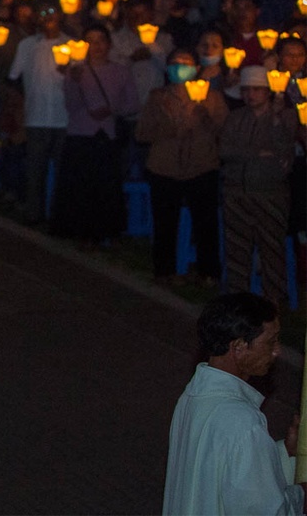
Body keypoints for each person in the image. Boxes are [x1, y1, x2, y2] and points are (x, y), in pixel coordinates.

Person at [163, 293, 303, 514]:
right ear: (238, 346)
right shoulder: (243, 422)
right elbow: (266, 510)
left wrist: (287, 451)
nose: (277, 351)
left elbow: (222, 473)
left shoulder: (192, 396)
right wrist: (301, 494)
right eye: (270, 342)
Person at [136, 48, 227, 285]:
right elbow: (142, 133)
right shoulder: (158, 97)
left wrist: (205, 115)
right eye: (175, 63)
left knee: (205, 222)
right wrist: (167, 129)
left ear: (196, 68)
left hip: (202, 166)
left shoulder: (212, 97)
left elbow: (225, 132)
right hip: (164, 167)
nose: (180, 67)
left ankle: (208, 272)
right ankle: (164, 271)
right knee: (165, 222)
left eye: (185, 63)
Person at [51, 25, 139, 243]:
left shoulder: (121, 71)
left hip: (107, 135)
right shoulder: (75, 71)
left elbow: (133, 104)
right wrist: (74, 80)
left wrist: (112, 110)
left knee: (105, 185)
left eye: (100, 40)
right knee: (79, 184)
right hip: (80, 134)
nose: (96, 46)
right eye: (90, 41)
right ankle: (77, 231)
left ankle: (105, 230)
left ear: (108, 44)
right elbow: (71, 105)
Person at [219, 67, 298, 303]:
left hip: (269, 194)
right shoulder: (235, 118)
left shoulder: (286, 117)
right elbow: (224, 150)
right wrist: (254, 153)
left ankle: (273, 302)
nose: (250, 95)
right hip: (236, 193)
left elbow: (284, 150)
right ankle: (237, 301)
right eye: (246, 90)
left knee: (271, 250)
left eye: (256, 90)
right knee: (237, 249)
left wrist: (274, 119)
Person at [9, 4, 71, 224]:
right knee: (35, 170)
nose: (48, 17)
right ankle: (34, 214)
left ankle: (60, 216)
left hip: (64, 118)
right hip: (36, 117)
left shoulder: (72, 45)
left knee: (63, 172)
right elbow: (14, 75)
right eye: (43, 13)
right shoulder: (28, 45)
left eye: (52, 13)